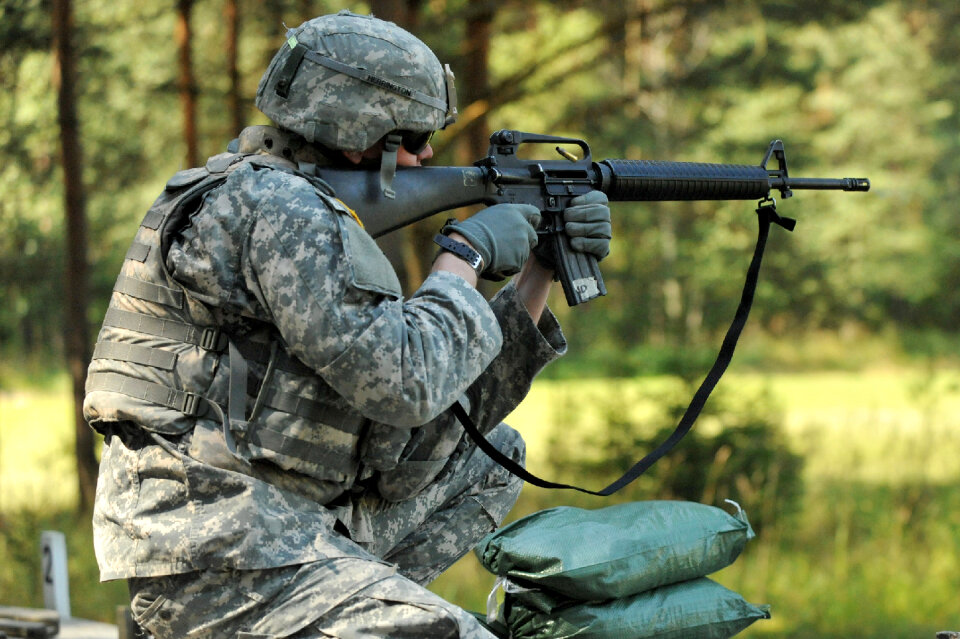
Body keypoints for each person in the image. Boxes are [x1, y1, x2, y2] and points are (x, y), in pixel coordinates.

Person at [84, 10, 611, 639]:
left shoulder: (301, 207)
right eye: (415, 136)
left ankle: (365, 603)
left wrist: (539, 271)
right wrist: (463, 259)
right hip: (216, 547)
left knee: (493, 459)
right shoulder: (276, 210)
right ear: (362, 128)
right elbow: (406, 383)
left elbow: (434, 411)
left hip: (284, 525)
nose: (427, 154)